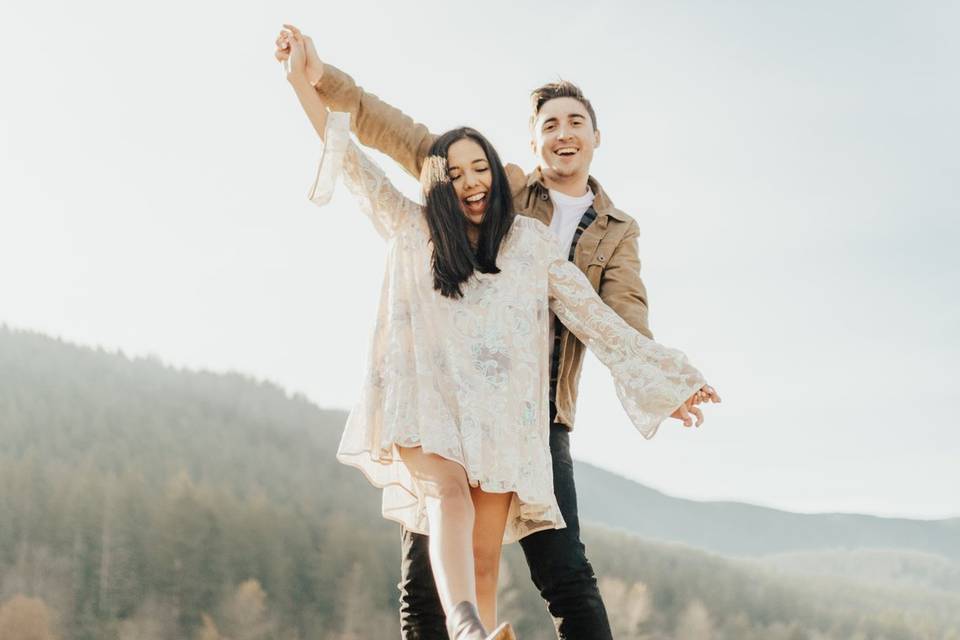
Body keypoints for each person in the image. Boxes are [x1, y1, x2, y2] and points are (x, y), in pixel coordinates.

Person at [278, 26, 720, 640]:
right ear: (534, 142)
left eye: (575, 123)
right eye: (550, 125)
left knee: (544, 567)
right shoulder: (458, 211)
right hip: (436, 403)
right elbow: (375, 140)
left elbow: (608, 315)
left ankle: (479, 629)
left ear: (595, 136)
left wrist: (665, 380)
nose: (469, 181)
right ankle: (466, 628)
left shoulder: (588, 235)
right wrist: (313, 79)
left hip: (522, 415)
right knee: (429, 566)